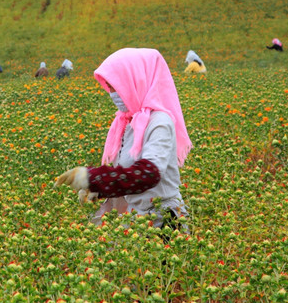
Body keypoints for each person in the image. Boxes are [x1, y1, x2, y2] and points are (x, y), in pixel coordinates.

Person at [55, 48, 192, 230]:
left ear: (136, 80)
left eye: (116, 85)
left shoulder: (160, 122)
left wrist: (94, 178)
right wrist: (99, 190)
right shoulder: (127, 121)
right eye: (109, 86)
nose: (112, 93)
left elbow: (148, 174)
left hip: (165, 222)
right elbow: (125, 172)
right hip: (139, 220)